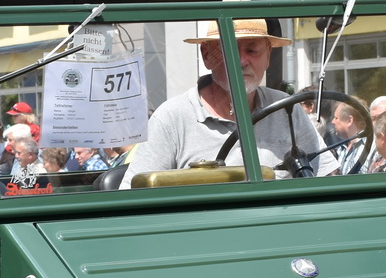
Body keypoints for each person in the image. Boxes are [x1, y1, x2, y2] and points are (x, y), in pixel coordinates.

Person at [125, 18, 328, 178]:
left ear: (268, 55)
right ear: (206, 55)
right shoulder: (171, 119)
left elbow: (327, 176)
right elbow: (134, 198)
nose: (241, 61)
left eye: (252, 50)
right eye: (228, 50)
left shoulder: (286, 110)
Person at [331, 101, 372, 174]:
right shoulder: (341, 148)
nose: (332, 122)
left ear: (349, 120)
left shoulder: (371, 147)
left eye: (336, 118)